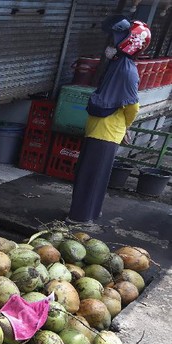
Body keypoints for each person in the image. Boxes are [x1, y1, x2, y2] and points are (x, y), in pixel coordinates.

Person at [67, 17, 151, 224]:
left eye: (116, 40)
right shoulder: (118, 64)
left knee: (91, 178)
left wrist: (126, 128)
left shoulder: (127, 71)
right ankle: (87, 214)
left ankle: (81, 217)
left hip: (106, 133)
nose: (111, 45)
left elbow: (132, 106)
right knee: (88, 176)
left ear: (129, 42)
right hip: (98, 130)